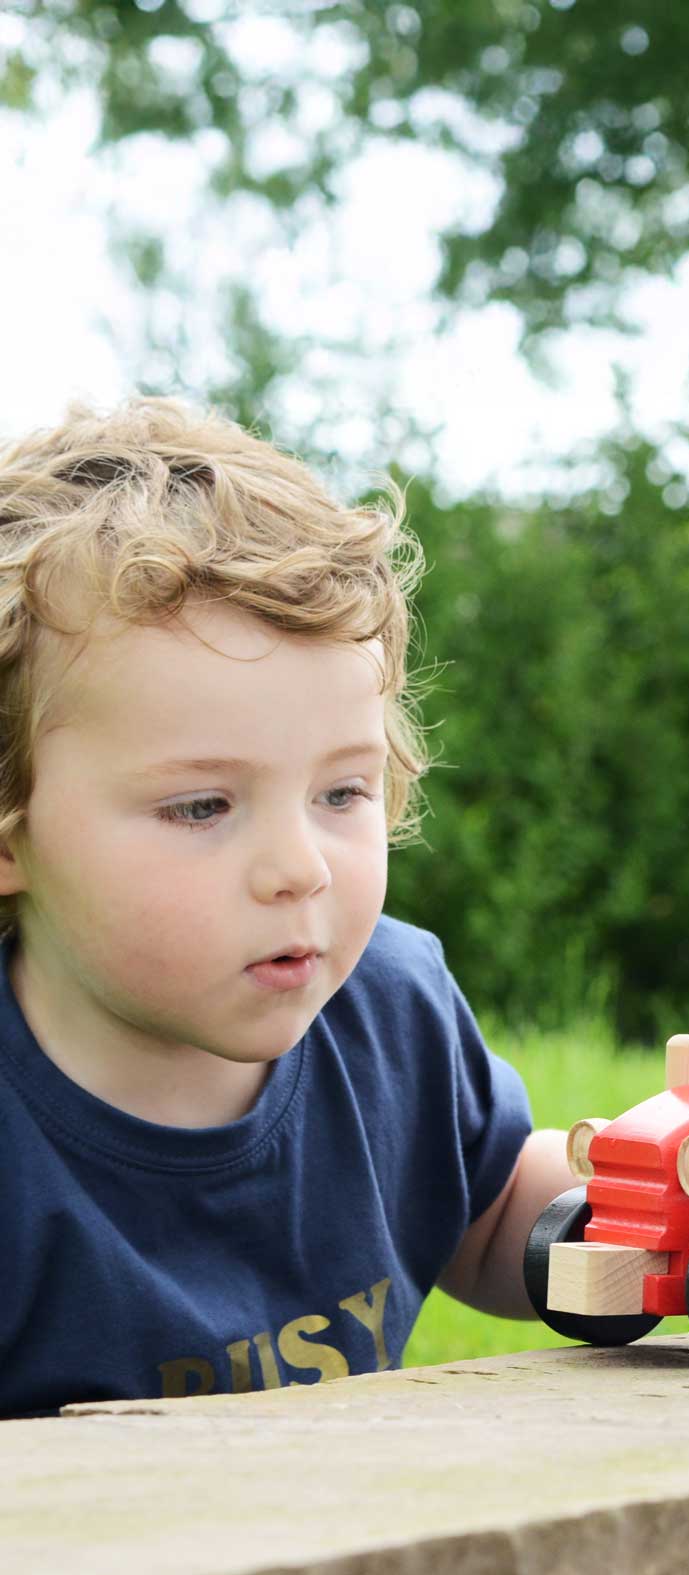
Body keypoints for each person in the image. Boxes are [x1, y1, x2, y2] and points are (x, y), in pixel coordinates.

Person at [0, 395, 576, 1418]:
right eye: (202, 805)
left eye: (341, 792)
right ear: (13, 833)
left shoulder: (391, 1010)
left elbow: (487, 1222)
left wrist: (647, 1203)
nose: (299, 867)